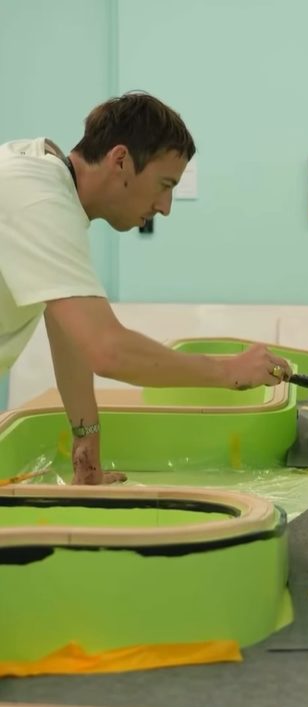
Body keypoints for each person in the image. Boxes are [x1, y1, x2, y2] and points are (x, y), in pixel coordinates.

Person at [0, 92, 291, 484]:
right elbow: (108, 350)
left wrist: (87, 452)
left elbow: (71, 334)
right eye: (164, 184)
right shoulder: (35, 196)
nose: (165, 206)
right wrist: (229, 371)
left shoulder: (45, 184)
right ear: (120, 159)